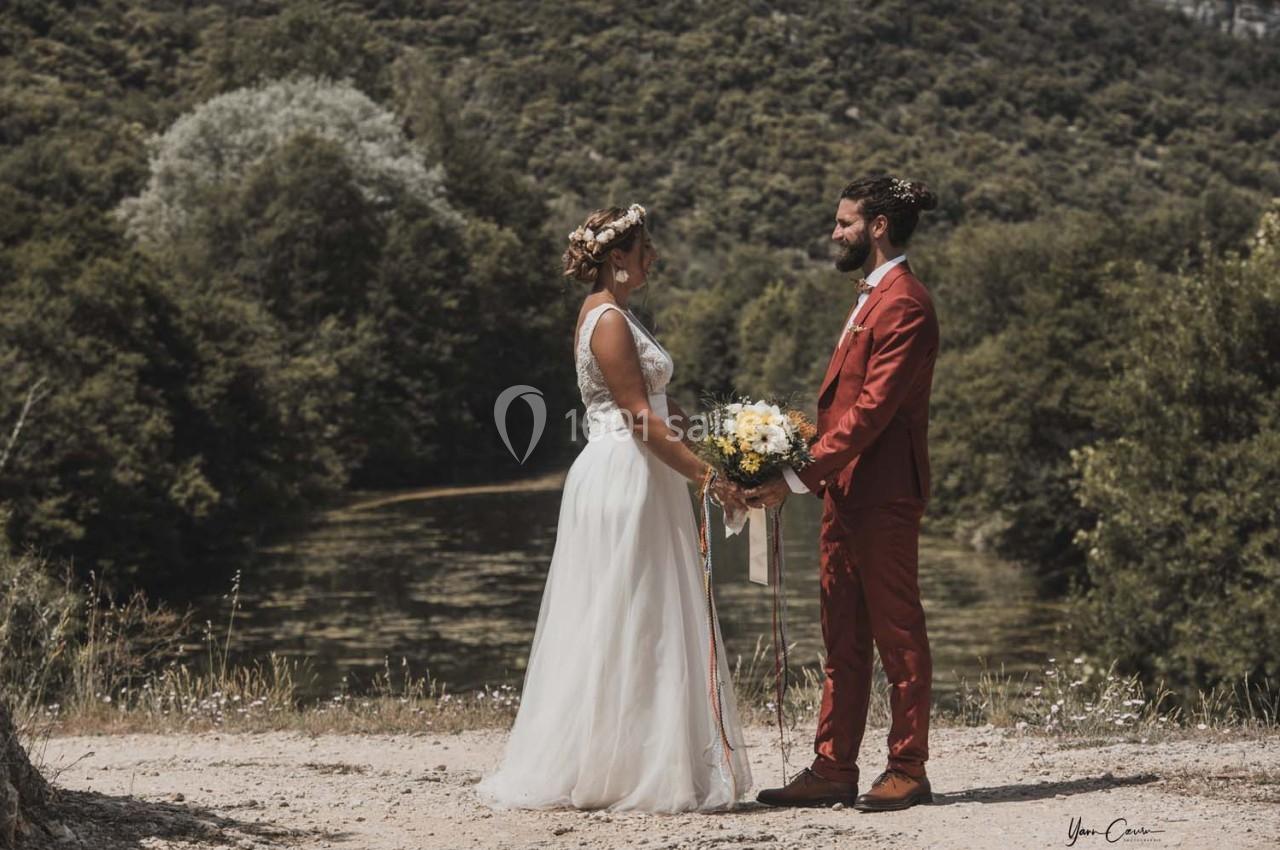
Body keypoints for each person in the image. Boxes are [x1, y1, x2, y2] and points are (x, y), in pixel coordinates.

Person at [477, 204, 753, 812]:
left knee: (647, 611)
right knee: (627, 607)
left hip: (644, 469)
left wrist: (730, 447)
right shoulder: (606, 321)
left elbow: (662, 405)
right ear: (617, 259)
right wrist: (708, 477)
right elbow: (637, 416)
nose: (653, 257)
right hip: (625, 472)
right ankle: (614, 766)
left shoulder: (621, 315)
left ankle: (641, 755)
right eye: (645, 249)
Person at [748, 176, 940, 812]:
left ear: (878, 225)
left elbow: (872, 413)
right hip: (845, 492)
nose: (835, 232)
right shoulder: (869, 297)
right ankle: (834, 767)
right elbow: (843, 410)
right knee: (842, 638)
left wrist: (797, 475)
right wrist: (790, 452)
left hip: (883, 496)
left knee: (898, 634)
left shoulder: (905, 302)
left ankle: (908, 769)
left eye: (845, 222)